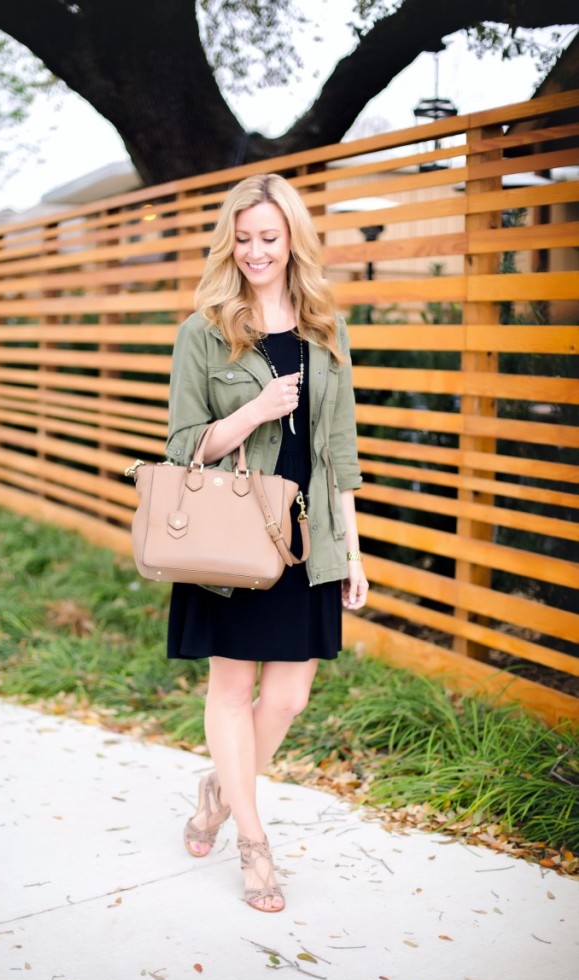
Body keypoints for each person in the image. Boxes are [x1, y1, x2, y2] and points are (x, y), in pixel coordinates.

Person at [165, 173, 368, 913]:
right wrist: (252, 410)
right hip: (231, 539)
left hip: (305, 539)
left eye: (268, 238)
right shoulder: (203, 330)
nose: (254, 252)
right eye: (243, 238)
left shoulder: (322, 325)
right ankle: (252, 847)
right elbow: (185, 444)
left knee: (286, 694)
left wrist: (352, 552)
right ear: (231, 241)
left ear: (292, 241)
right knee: (231, 688)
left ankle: (220, 788)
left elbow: (338, 448)